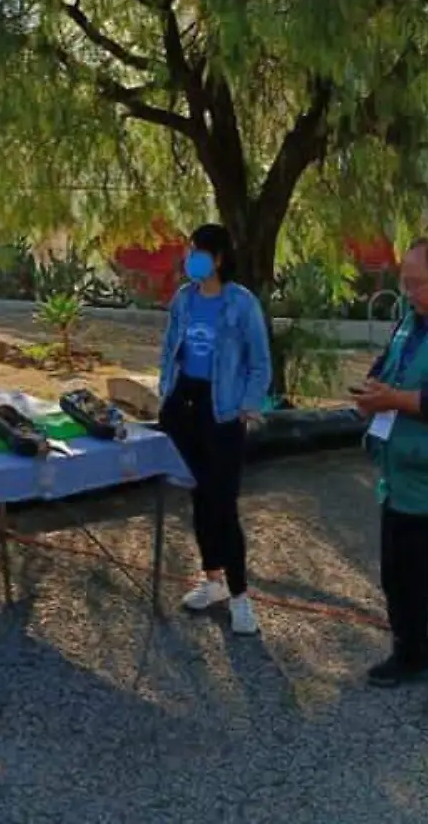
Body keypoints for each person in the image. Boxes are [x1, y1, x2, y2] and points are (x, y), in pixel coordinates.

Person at [355, 238, 428, 715]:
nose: (409, 292)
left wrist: (393, 400)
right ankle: (411, 654)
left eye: (417, 283)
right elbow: (386, 370)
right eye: (405, 283)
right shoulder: (407, 323)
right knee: (401, 578)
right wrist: (372, 390)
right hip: (399, 480)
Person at [157, 223, 271, 636]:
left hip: (221, 411)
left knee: (223, 503)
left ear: (218, 258)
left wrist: (248, 405)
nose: (191, 259)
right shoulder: (183, 300)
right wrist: (164, 393)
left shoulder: (241, 304)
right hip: (184, 405)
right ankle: (212, 582)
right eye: (190, 252)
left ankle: (240, 598)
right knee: (200, 498)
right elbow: (169, 349)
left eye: (198, 252)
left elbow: (260, 362)